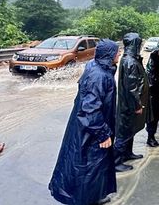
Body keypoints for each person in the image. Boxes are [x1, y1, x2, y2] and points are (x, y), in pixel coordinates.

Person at [49, 39, 120, 205]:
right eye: (116, 52)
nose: (119, 54)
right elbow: (90, 109)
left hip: (86, 127)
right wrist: (103, 134)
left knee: (93, 167)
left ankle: (93, 196)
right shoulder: (99, 76)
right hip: (91, 130)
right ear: (109, 55)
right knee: (89, 167)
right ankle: (86, 200)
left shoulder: (94, 66)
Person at [113, 33, 148, 172]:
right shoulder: (131, 62)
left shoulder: (128, 59)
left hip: (127, 103)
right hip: (129, 105)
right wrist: (137, 105)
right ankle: (116, 162)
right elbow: (132, 87)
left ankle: (127, 153)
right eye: (138, 44)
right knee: (124, 132)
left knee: (130, 130)